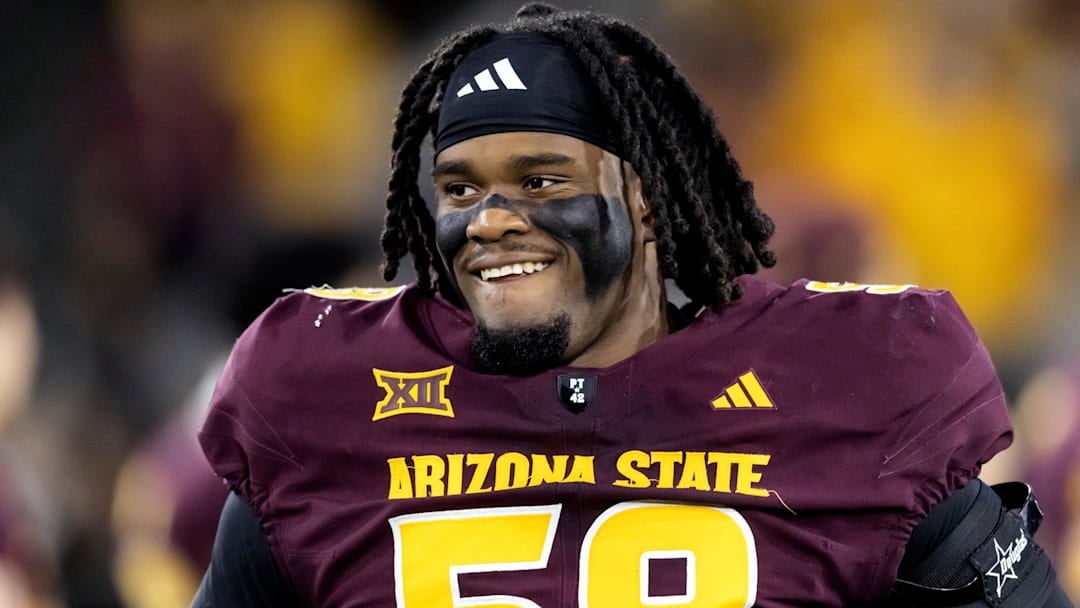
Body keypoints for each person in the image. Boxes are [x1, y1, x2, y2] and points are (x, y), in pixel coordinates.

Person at [193, 4, 1074, 606]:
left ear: (647, 197)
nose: (490, 221)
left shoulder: (847, 380)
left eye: (542, 180)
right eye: (459, 190)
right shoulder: (328, 398)